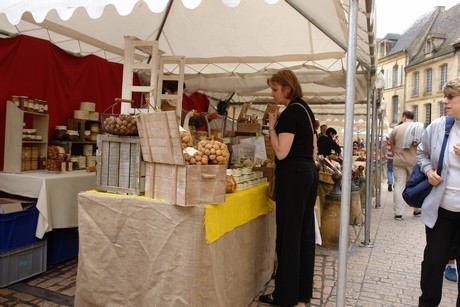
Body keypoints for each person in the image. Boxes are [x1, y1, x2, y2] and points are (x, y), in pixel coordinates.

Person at [259, 69, 318, 306]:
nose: (272, 94)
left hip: (294, 176)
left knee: (288, 236)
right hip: (306, 173)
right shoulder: (304, 108)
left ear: (287, 88)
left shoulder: (291, 112)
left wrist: (272, 127)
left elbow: (281, 152)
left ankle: (285, 295)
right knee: (303, 234)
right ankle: (301, 293)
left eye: (275, 89)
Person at [417, 77, 460, 306]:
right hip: (442, 210)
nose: (445, 101)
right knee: (433, 262)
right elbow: (422, 153)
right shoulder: (439, 126)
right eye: (445, 96)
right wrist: (427, 171)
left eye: (451, 97)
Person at [389, 110, 423, 220]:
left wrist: (396, 155)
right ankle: (417, 209)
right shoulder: (419, 128)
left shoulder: (396, 129)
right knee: (415, 185)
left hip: (399, 161)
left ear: (404, 117)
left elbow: (391, 144)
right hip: (414, 161)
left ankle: (398, 213)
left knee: (399, 186)